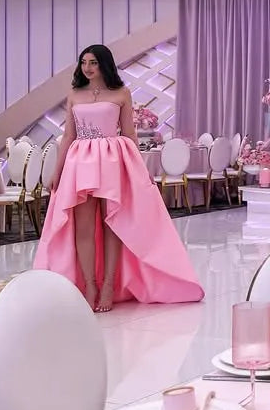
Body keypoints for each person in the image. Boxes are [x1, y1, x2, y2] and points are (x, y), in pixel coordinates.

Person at [34, 44, 204, 310]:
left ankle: (109, 285)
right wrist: (58, 171)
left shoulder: (122, 93)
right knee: (83, 227)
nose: (87, 68)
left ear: (104, 64)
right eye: (84, 62)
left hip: (113, 161)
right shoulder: (74, 95)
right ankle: (89, 284)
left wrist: (139, 170)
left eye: (93, 63)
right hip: (80, 163)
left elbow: (129, 134)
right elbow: (69, 136)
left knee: (113, 222)